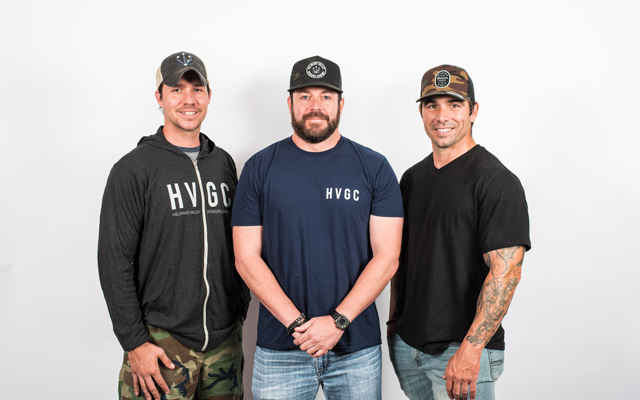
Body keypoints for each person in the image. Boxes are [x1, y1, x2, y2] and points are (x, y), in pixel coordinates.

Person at [231, 55, 404, 400]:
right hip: (281, 348)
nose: (315, 105)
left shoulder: (374, 167)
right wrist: (298, 325)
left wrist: (338, 321)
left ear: (341, 103)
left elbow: (388, 257)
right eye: (305, 96)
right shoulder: (259, 168)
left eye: (325, 96)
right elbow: (245, 258)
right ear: (290, 103)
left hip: (356, 347)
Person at [98, 51, 250, 400]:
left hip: (225, 342)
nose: (188, 100)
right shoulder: (133, 169)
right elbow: (113, 260)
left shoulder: (223, 163)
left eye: (197, 89)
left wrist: (239, 306)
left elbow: (238, 240)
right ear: (159, 97)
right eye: (177, 89)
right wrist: (134, 342)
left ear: (208, 96)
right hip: (161, 343)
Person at [388, 65, 531, 400]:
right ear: (421, 112)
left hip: (462, 352)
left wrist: (471, 349)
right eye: (432, 105)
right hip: (408, 347)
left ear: (473, 111)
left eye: (454, 105)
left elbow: (506, 272)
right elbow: (401, 260)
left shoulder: (496, 181)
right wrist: (394, 326)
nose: (442, 116)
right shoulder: (412, 178)